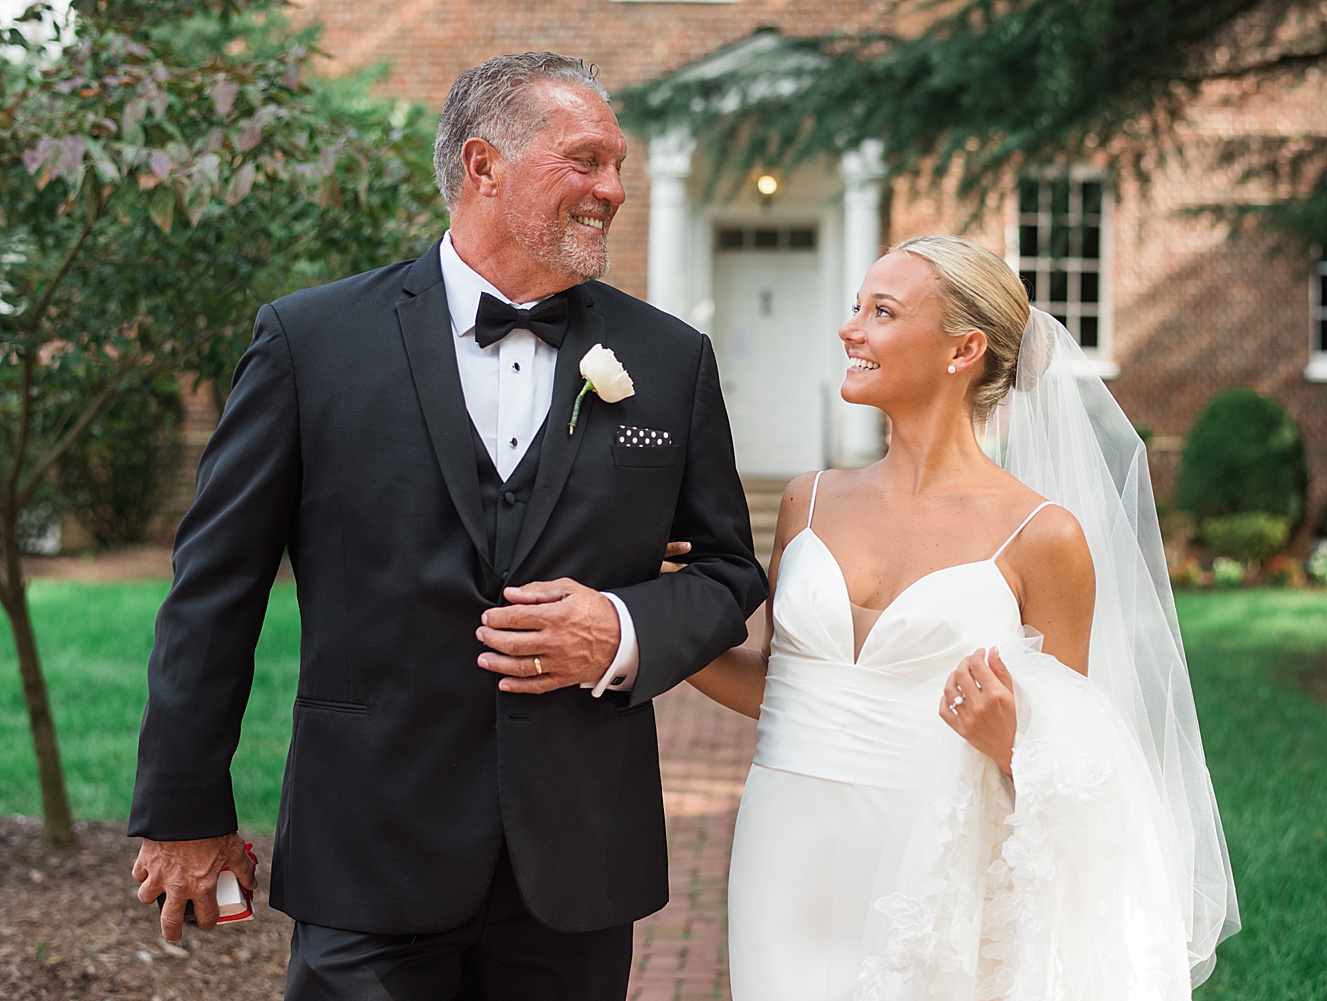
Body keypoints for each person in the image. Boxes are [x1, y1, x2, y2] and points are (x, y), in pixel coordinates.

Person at [127, 52, 766, 1001]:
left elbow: (727, 570)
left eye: (618, 165)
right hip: (367, 842)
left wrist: (622, 632)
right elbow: (214, 589)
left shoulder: (669, 359)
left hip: (577, 858)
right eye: (586, 161)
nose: (615, 190)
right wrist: (184, 808)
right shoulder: (312, 343)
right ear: (484, 164)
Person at [690, 236, 1238, 999]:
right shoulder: (805, 501)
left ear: (964, 349)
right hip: (784, 855)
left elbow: (1079, 763)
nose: (851, 329)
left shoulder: (1043, 536)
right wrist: (654, 622)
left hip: (932, 866)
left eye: (881, 311)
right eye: (856, 308)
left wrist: (1012, 740)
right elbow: (776, 687)